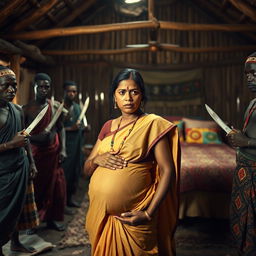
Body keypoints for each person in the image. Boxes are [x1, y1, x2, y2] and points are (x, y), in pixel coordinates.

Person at [84, 68, 180, 256]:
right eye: (122, 92)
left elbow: (168, 170)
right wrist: (97, 159)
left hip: (134, 220)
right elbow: (86, 169)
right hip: (100, 217)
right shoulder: (107, 126)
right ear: (114, 97)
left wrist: (148, 213)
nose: (128, 98)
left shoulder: (152, 124)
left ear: (142, 96)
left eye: (134, 92)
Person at [23, 73, 67, 233]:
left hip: (53, 152)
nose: (43, 89)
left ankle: (51, 220)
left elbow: (61, 128)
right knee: (36, 188)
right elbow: (24, 136)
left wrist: (63, 149)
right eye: (40, 86)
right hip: (35, 154)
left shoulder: (55, 107)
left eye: (46, 87)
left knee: (56, 187)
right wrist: (31, 157)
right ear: (34, 87)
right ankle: (33, 222)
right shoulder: (26, 109)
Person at [227, 52, 256, 256]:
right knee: (242, 217)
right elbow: (248, 135)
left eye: (254, 74)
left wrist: (245, 141)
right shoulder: (252, 103)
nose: (249, 78)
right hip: (244, 171)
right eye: (247, 74)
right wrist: (239, 135)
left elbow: (248, 140)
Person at [0, 65, 30, 256]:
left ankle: (16, 243)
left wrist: (32, 164)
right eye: (6, 86)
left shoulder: (18, 110)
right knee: (2, 214)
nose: (11, 90)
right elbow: (15, 141)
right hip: (2, 173)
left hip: (20, 167)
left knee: (17, 211)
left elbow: (24, 138)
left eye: (14, 86)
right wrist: (10, 145)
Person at [62, 81, 83, 208]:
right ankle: (61, 203)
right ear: (64, 91)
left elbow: (78, 126)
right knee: (64, 174)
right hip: (65, 147)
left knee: (75, 172)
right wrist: (71, 128)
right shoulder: (59, 107)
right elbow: (55, 129)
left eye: (74, 91)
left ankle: (69, 199)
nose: (72, 93)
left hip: (76, 145)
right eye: (69, 91)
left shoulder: (77, 107)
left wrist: (84, 128)